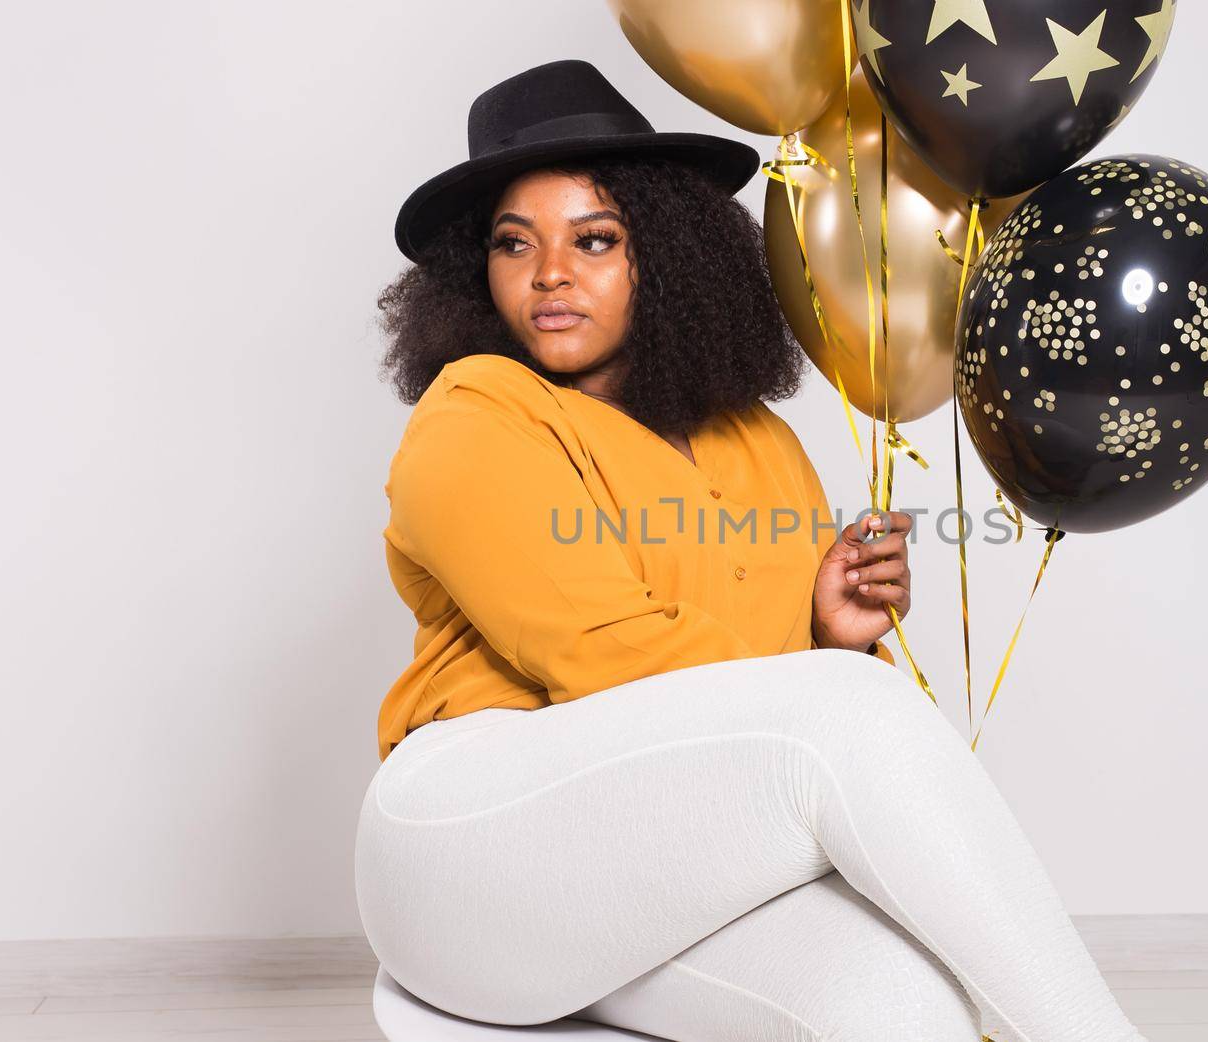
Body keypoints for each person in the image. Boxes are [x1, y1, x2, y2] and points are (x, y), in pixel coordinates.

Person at [354, 59, 1148, 1042]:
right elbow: (608, 662)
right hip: (466, 844)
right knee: (854, 711)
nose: (549, 272)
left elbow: (752, 729)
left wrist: (829, 633)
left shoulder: (755, 441)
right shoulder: (473, 412)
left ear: (666, 255)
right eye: (513, 245)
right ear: (475, 275)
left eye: (594, 240)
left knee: (907, 1008)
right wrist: (824, 679)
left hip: (638, 873)